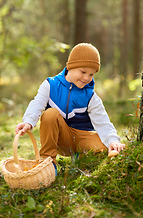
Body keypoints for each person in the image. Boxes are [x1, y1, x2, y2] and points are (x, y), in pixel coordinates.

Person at [15, 43, 125, 171]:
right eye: (83, 72)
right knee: (50, 114)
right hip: (60, 137)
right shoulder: (51, 85)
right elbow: (37, 103)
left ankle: (81, 157)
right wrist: (28, 122)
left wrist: (112, 140)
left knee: (105, 147)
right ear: (70, 66)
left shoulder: (90, 96)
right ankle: (48, 163)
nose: (86, 78)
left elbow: (103, 122)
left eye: (91, 74)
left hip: (81, 137)